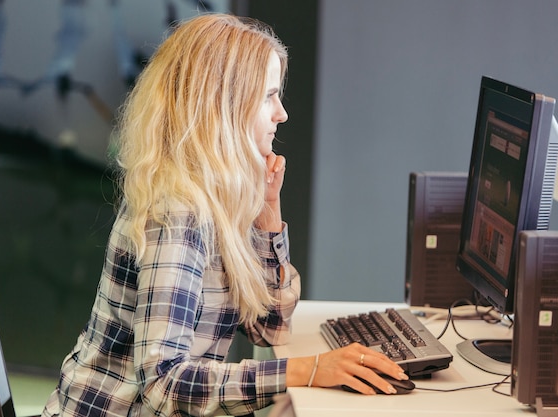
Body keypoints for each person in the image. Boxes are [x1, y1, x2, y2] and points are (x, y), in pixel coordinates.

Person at [41, 13, 408, 417]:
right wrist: (307, 370)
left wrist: (269, 210)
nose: (281, 113)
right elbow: (164, 384)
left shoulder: (219, 195)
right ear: (225, 105)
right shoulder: (177, 212)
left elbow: (270, 327)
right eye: (268, 95)